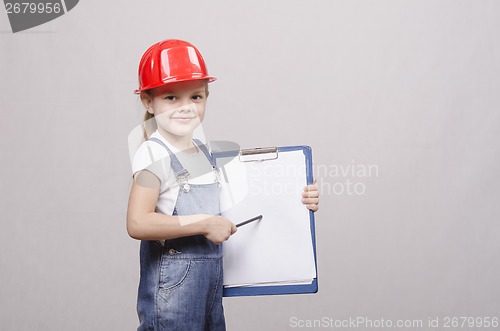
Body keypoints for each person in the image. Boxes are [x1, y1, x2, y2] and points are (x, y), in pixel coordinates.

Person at [127, 39, 319, 331]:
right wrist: (204, 223)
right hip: (174, 295)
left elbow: (239, 206)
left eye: (196, 97)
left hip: (208, 290)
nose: (186, 108)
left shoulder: (202, 151)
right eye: (170, 98)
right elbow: (138, 222)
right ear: (148, 102)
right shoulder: (153, 152)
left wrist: (298, 198)